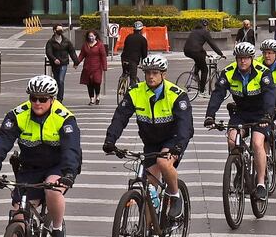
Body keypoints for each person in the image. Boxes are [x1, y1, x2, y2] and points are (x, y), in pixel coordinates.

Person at [0, 76, 82, 237]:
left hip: (58, 167)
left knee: (53, 191)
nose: (37, 103)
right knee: (18, 216)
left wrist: (69, 173)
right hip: (30, 167)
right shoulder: (18, 115)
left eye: (43, 99)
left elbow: (71, 149)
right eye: (33, 98)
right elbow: (2, 141)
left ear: (52, 99)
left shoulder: (64, 118)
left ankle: (57, 230)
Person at [103, 55, 193, 218]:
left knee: (163, 163)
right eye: (147, 73)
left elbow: (185, 125)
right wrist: (110, 140)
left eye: (155, 73)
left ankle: (175, 196)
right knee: (148, 189)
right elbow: (120, 117)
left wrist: (178, 146)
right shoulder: (135, 92)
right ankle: (145, 235)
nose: (150, 76)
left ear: (163, 74)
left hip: (172, 139)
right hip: (150, 142)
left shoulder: (176, 95)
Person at [203, 43, 275, 201]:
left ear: (251, 58)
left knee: (257, 143)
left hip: (260, 114)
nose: (242, 61)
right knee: (232, 140)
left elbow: (270, 96)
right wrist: (210, 116)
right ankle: (241, 169)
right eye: (239, 58)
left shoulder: (263, 73)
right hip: (240, 113)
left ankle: (261, 183)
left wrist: (268, 116)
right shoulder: (228, 73)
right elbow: (217, 94)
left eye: (246, 58)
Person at [183, 20, 226, 97]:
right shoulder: (205, 32)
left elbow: (196, 44)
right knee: (205, 70)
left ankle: (195, 74)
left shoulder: (194, 31)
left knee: (199, 59)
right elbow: (212, 44)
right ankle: (202, 92)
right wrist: (220, 54)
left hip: (187, 51)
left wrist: (206, 54)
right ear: (206, 26)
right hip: (196, 52)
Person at [45, 25, 79, 102]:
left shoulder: (66, 41)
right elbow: (48, 52)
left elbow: (72, 52)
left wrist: (76, 62)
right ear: (54, 30)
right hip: (55, 64)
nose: (61, 30)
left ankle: (60, 99)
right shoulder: (51, 42)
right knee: (56, 80)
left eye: (61, 29)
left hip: (64, 63)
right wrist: (54, 59)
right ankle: (55, 95)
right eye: (59, 29)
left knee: (61, 80)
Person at [76, 29, 107, 105]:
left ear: (95, 36)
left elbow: (103, 56)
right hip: (87, 67)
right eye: (90, 36)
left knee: (97, 82)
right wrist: (76, 63)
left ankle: (98, 96)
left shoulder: (100, 45)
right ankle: (91, 98)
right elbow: (82, 55)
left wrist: (104, 66)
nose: (91, 38)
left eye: (92, 36)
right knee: (89, 83)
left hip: (97, 67)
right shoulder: (85, 45)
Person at [121, 21, 149, 87]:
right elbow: (144, 53)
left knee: (125, 72)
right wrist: (143, 63)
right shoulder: (142, 39)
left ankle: (122, 82)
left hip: (124, 59)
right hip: (133, 60)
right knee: (133, 78)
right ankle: (130, 92)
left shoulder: (128, 37)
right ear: (141, 30)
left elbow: (125, 48)